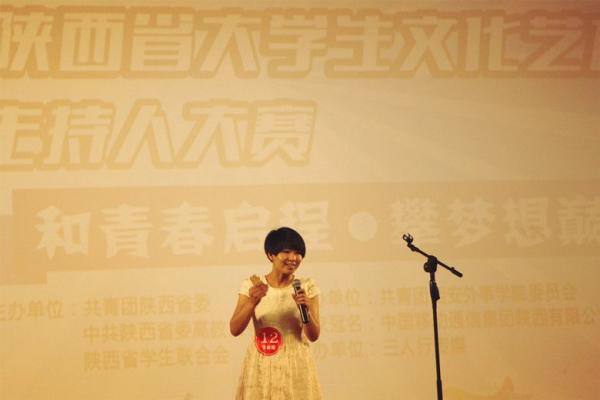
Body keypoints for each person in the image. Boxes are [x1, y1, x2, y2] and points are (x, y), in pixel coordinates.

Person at [230, 227, 322, 399]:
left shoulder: (306, 286)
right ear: (270, 255)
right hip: (261, 360)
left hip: (296, 361)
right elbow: (234, 329)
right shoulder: (253, 285)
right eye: (286, 252)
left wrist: (306, 310)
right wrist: (252, 302)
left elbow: (314, 335)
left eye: (298, 253)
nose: (293, 258)